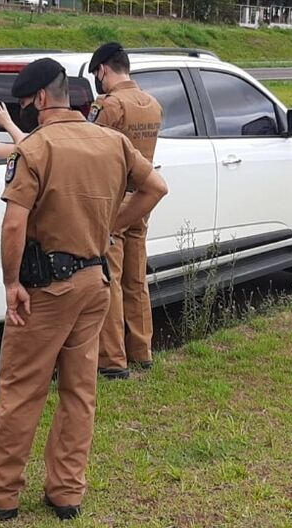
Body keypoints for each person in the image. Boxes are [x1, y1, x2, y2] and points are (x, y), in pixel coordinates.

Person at [0, 58, 168, 521]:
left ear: (38, 99)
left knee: (21, 390)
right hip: (95, 284)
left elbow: (15, 225)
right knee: (80, 391)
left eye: (25, 102)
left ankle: (0, 493)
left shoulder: (34, 149)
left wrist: (12, 283)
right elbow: (155, 187)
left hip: (46, 289)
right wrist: (112, 226)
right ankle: (67, 492)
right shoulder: (111, 142)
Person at [87, 42, 163, 380]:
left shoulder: (109, 106)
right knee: (136, 277)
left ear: (103, 69)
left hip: (114, 201)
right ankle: (142, 351)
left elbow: (88, 147)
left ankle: (113, 360)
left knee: (110, 280)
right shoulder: (152, 104)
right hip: (142, 199)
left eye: (97, 75)